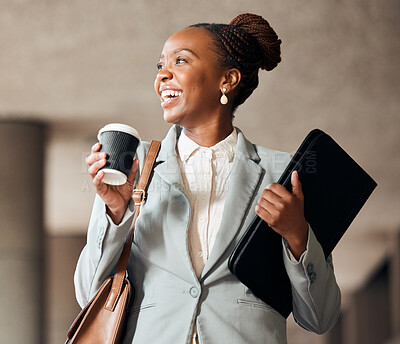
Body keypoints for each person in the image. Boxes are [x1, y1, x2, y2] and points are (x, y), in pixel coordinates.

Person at [75, 13, 341, 344]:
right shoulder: (135, 165)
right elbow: (88, 294)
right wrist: (115, 212)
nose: (163, 76)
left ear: (227, 80)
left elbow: (321, 317)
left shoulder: (285, 173)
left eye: (180, 61)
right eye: (160, 66)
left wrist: (298, 236)